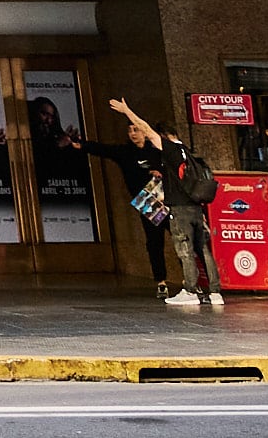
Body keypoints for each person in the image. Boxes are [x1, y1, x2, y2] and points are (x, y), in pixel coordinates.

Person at [87, 98, 219, 310]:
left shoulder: (168, 149)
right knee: (201, 249)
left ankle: (191, 291)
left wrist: (126, 111)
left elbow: (147, 130)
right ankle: (214, 292)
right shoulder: (186, 150)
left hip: (179, 208)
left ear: (164, 137)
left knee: (184, 249)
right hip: (194, 206)